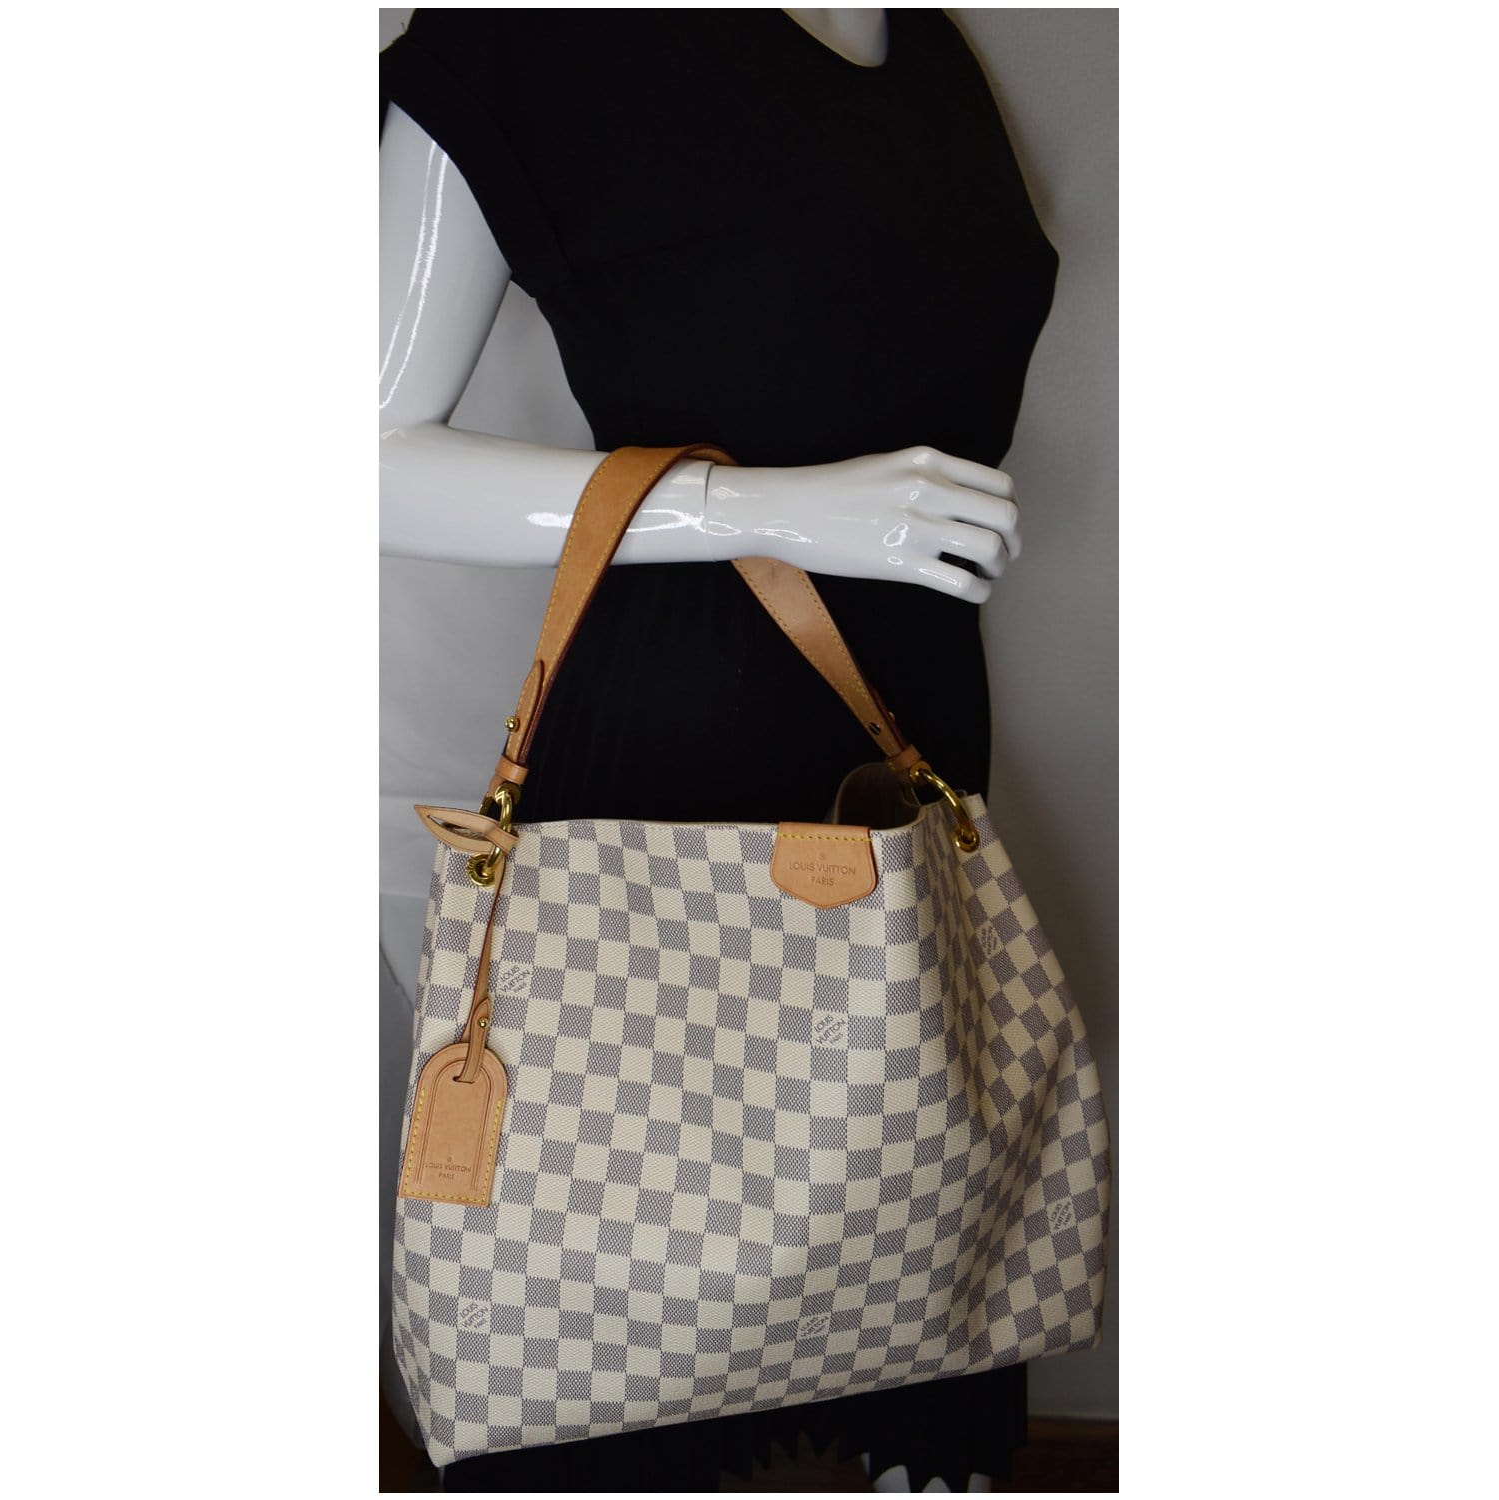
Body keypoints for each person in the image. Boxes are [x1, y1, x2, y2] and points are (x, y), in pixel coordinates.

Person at [379, 8, 1060, 1490]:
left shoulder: (935, 55)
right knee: (646, 1267)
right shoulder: (537, 38)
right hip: (676, 754)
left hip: (913, 743)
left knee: (915, 1240)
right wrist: (767, 510)